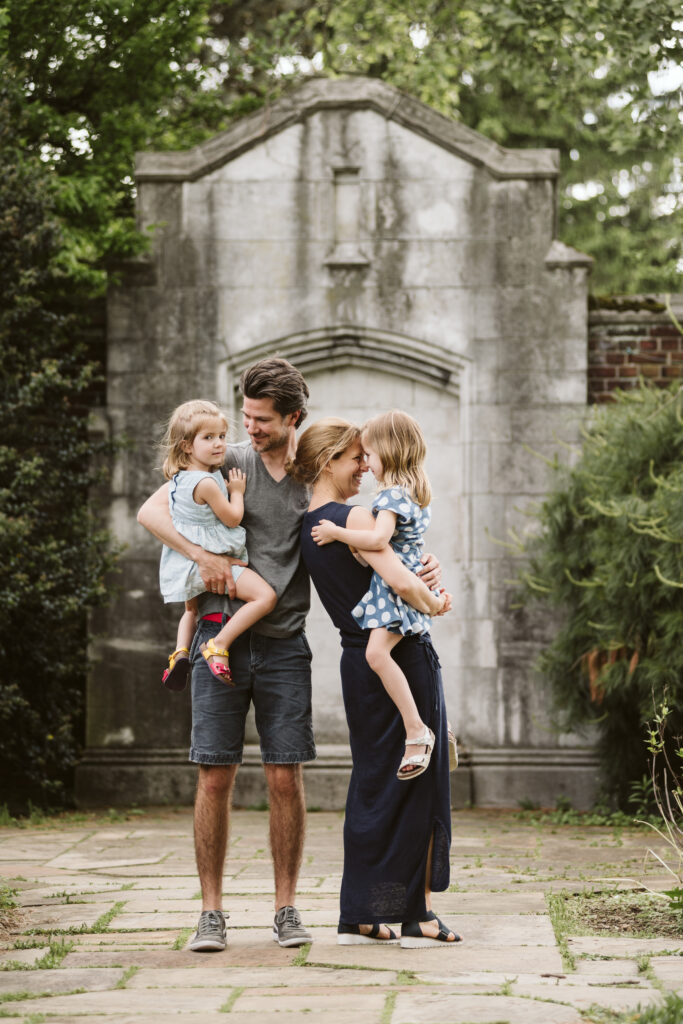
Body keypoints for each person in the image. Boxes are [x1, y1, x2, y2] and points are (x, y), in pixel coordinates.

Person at [137, 358, 315, 951]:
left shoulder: (311, 474)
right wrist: (201, 557)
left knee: (284, 776)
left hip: (285, 643)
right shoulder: (224, 459)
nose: (250, 428)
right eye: (246, 416)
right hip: (218, 633)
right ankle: (210, 913)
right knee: (214, 775)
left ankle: (286, 908)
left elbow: (360, 523)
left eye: (262, 420)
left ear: (293, 418)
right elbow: (150, 512)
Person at [290, 417, 461, 947]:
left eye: (367, 456)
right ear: (327, 463)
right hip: (401, 656)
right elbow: (400, 578)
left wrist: (421, 570)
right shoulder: (356, 515)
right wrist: (434, 598)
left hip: (356, 662)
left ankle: (362, 910)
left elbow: (396, 567)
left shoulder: (309, 524)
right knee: (420, 784)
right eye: (355, 458)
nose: (365, 466)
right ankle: (419, 913)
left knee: (373, 785)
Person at [311, 410, 443, 781]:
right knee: (381, 655)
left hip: (395, 595)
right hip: (393, 589)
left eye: (367, 454)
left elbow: (379, 541)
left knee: (375, 653)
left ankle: (419, 730)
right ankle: (433, 725)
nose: (366, 464)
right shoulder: (409, 493)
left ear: (388, 450)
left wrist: (338, 533)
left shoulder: (391, 497)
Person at [157, 399, 277, 690]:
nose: (219, 444)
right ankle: (218, 644)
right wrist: (236, 491)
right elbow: (233, 518)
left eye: (222, 437)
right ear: (187, 445)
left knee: (190, 612)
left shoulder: (178, 479)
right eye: (208, 438)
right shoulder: (207, 482)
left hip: (185, 564)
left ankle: (180, 653)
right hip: (212, 563)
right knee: (265, 598)